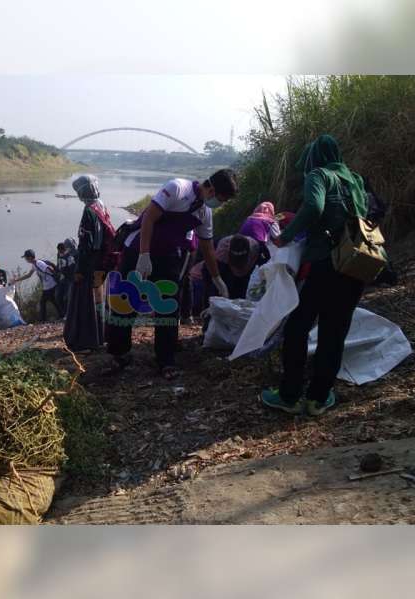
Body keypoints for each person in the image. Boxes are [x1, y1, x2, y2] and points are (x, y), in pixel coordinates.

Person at [261, 134, 368, 416]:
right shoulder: (354, 180)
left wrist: (285, 236)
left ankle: (290, 396)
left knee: (297, 327)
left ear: (315, 158)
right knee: (334, 332)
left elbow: (314, 206)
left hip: (325, 265)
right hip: (355, 264)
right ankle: (318, 398)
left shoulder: (318, 175)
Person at [107, 169, 238, 379]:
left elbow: (207, 247)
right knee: (126, 301)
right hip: (139, 248)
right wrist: (144, 255)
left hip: (168, 256)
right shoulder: (177, 188)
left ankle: (165, 360)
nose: (220, 204)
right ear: (212, 190)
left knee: (168, 307)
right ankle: (119, 353)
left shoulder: (204, 213)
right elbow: (149, 218)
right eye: (221, 199)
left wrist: (217, 278)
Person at [64, 174, 117, 351]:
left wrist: (79, 270)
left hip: (90, 264)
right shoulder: (101, 205)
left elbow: (85, 244)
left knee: (84, 301)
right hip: (102, 261)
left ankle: (86, 341)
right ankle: (102, 336)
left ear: (82, 192)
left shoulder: (88, 211)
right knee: (99, 298)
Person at [199, 233, 268, 303]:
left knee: (241, 294)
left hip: (248, 272)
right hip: (222, 268)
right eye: (235, 266)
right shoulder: (221, 253)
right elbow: (212, 276)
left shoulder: (257, 250)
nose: (238, 271)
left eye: (241, 266)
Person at [12, 249, 63, 321]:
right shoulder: (34, 265)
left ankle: (44, 320)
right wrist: (17, 280)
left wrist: (54, 276)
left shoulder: (39, 263)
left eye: (26, 257)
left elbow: (49, 268)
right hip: (47, 286)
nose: (25, 259)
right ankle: (61, 315)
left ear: (30, 257)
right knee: (52, 300)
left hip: (51, 285)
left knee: (43, 302)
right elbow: (29, 275)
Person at [55, 242, 76, 313]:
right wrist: (57, 273)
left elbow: (72, 269)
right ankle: (64, 313)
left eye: (60, 250)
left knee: (67, 298)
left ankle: (68, 314)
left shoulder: (69, 257)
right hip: (61, 280)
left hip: (69, 280)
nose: (59, 252)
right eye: (58, 251)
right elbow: (58, 265)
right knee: (58, 297)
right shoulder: (59, 255)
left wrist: (64, 272)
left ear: (63, 249)